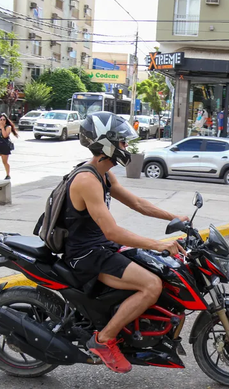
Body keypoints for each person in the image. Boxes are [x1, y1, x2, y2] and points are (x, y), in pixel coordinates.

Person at [66, 112, 188, 373]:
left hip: (99, 247)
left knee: (159, 269)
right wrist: (157, 244)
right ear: (105, 143)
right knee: (151, 285)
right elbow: (112, 231)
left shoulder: (104, 175)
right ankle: (104, 339)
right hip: (86, 254)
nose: (125, 147)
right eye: (121, 142)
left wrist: (175, 217)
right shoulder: (87, 180)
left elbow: (137, 203)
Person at [0, 113, 18, 180]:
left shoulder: (8, 127)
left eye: (4, 120)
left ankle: (8, 174)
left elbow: (5, 136)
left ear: (6, 120)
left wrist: (2, 128)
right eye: (0, 119)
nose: (2, 121)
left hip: (4, 146)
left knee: (5, 162)